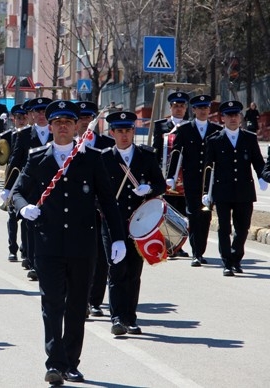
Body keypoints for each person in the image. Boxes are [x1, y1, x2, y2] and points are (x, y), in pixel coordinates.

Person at [11, 100, 126, 385]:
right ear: (50, 127)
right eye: (57, 122)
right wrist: (24, 208)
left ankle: (71, 362)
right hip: (48, 245)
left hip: (82, 245)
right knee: (52, 305)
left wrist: (118, 238)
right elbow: (17, 192)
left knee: (76, 306)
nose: (62, 127)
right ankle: (54, 363)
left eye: (68, 122)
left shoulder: (91, 158)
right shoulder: (37, 158)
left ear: (77, 126)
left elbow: (108, 202)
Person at [101, 111, 166, 335]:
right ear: (112, 133)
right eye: (120, 131)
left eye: (128, 130)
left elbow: (161, 185)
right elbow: (96, 194)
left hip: (139, 223)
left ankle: (130, 318)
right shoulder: (104, 158)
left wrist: (149, 189)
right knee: (117, 269)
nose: (124, 135)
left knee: (133, 272)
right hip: (112, 223)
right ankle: (117, 318)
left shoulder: (145, 156)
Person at [204, 100, 268, 276]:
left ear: (240, 117)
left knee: (242, 228)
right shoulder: (214, 140)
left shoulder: (249, 138)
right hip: (222, 191)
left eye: (235, 115)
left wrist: (263, 177)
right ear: (222, 118)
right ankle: (227, 263)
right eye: (229, 115)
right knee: (224, 228)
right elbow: (208, 168)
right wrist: (205, 192)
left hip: (244, 190)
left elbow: (258, 162)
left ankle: (236, 257)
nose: (233, 118)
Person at [166, 95, 220, 267]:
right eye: (199, 108)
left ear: (209, 110)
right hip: (190, 181)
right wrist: (171, 177)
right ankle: (196, 252)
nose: (203, 111)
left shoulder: (216, 130)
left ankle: (200, 251)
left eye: (206, 108)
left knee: (205, 216)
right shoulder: (185, 130)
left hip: (209, 184)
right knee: (192, 214)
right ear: (194, 110)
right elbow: (176, 155)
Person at [75, 101, 114, 318]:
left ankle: (95, 300)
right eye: (80, 118)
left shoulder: (106, 144)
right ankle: (79, 298)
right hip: (76, 209)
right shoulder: (68, 143)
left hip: (101, 208)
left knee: (100, 257)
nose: (84, 122)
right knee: (79, 256)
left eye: (88, 117)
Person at [6, 97, 53, 281]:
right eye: (37, 112)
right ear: (31, 115)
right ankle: (33, 262)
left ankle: (42, 259)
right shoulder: (24, 135)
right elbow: (15, 161)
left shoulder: (56, 133)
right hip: (31, 187)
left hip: (51, 187)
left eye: (44, 112)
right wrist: (9, 187)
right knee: (29, 225)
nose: (41, 116)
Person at [152, 91, 191, 258]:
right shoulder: (161, 125)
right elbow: (156, 150)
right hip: (165, 174)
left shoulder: (190, 126)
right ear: (171, 107)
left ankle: (178, 246)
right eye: (176, 106)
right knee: (167, 211)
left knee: (182, 212)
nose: (179, 109)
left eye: (182, 106)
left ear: (186, 108)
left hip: (184, 176)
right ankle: (167, 245)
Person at [0, 104, 29, 263]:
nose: (22, 120)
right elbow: (2, 158)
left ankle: (25, 249)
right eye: (19, 118)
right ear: (13, 119)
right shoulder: (7, 135)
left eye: (24, 117)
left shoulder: (30, 135)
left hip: (26, 179)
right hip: (12, 176)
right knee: (12, 216)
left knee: (25, 217)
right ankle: (12, 249)